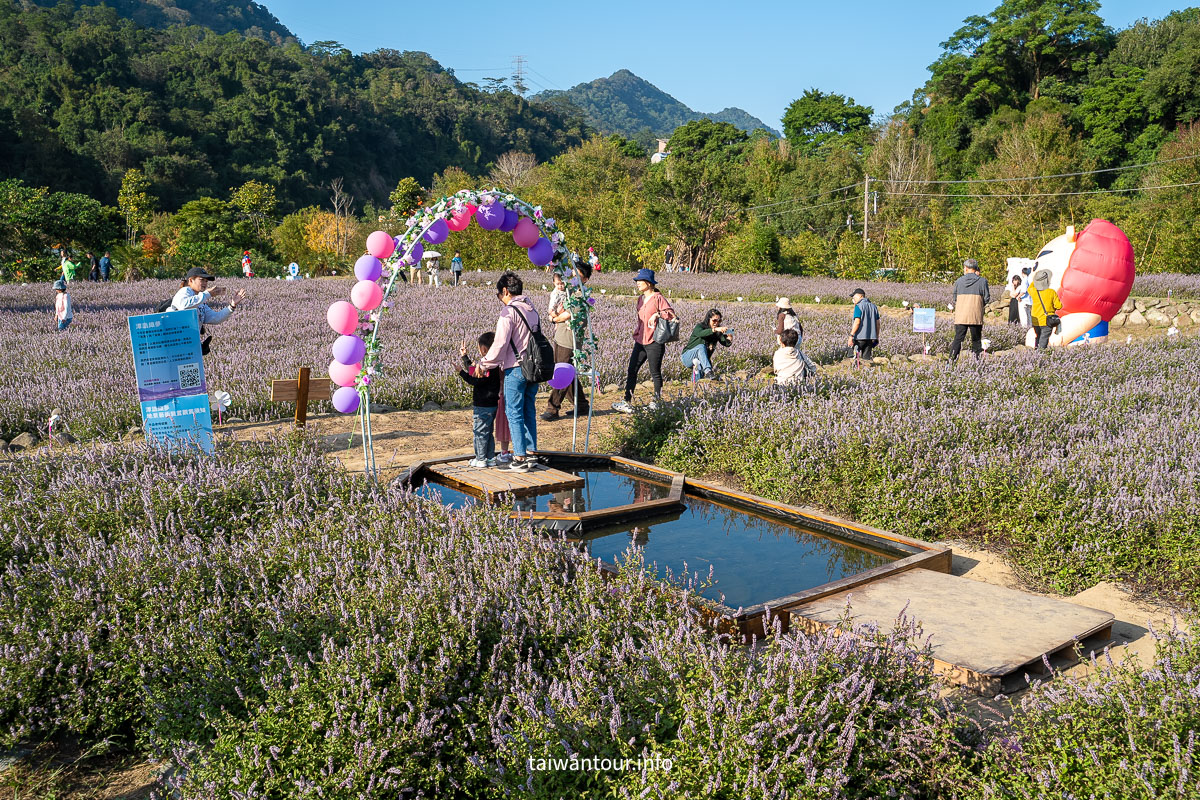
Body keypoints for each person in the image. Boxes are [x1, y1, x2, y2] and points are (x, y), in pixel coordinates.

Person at [478, 271, 542, 473]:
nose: (500, 299)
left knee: (513, 412)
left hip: (516, 369)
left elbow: (500, 344)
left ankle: (520, 458)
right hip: (534, 368)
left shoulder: (508, 312)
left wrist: (484, 363)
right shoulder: (532, 309)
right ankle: (531, 454)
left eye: (499, 295)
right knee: (528, 410)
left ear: (505, 291)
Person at [613, 268, 675, 413]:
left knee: (655, 372)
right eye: (637, 281)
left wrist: (658, 314)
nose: (637, 283)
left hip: (655, 341)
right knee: (632, 369)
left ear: (648, 283)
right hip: (640, 340)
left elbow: (671, 314)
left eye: (640, 281)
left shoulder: (658, 297)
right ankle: (627, 400)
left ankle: (657, 401)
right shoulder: (640, 299)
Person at [542, 265, 593, 420]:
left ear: (585, 279)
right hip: (561, 337)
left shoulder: (580, 295)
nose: (573, 278)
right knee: (568, 373)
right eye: (572, 275)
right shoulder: (569, 291)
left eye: (578, 276)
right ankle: (583, 406)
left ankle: (553, 408)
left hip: (569, 340)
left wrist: (553, 318)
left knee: (562, 373)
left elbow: (566, 315)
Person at [458, 331, 502, 468]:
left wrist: (460, 372)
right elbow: (475, 371)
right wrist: (465, 357)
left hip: (482, 404)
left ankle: (481, 459)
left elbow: (474, 379)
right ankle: (490, 458)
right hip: (493, 404)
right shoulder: (495, 363)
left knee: (480, 432)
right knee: (488, 432)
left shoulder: (486, 365)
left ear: (483, 349)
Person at [170, 267, 247, 330]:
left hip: (191, 342)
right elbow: (183, 305)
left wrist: (232, 305)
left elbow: (216, 318)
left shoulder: (201, 302)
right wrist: (207, 294)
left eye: (206, 281)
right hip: (177, 341)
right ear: (190, 280)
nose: (205, 283)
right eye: (202, 280)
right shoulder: (185, 291)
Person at [949, 258, 990, 362]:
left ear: (966, 268)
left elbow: (955, 298)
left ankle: (951, 362)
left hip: (961, 315)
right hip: (975, 315)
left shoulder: (958, 281)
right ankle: (977, 363)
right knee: (976, 341)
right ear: (975, 268)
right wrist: (979, 305)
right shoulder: (982, 281)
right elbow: (986, 298)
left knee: (958, 339)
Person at [680, 308, 731, 380]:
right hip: (687, 356)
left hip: (702, 359)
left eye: (719, 320)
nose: (716, 323)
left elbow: (725, 343)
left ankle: (695, 386)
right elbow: (701, 333)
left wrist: (729, 338)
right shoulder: (700, 327)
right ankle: (708, 371)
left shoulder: (718, 331)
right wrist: (715, 329)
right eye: (714, 320)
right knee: (701, 347)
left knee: (699, 369)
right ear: (708, 319)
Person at [1029, 267, 1062, 350]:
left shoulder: (1033, 291)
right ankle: (1040, 355)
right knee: (1044, 338)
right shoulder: (1051, 292)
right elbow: (1059, 306)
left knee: (1038, 336)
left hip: (1036, 320)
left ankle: (1036, 353)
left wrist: (1036, 280)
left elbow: (1030, 287)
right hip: (1047, 320)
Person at [848, 288, 880, 363]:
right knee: (867, 360)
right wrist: (876, 337)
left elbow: (857, 322)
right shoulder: (874, 307)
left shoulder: (859, 306)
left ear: (860, 296)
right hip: (870, 338)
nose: (853, 299)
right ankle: (866, 372)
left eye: (854, 297)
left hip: (859, 337)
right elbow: (878, 323)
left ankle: (855, 373)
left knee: (853, 359)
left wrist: (851, 336)